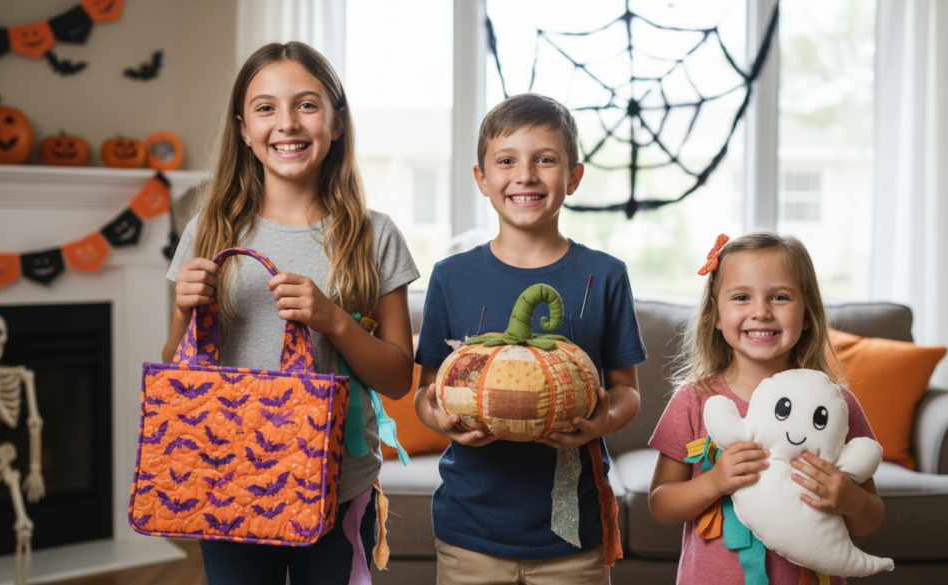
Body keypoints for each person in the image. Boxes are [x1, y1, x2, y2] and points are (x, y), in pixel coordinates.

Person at [161, 42, 419, 585]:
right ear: (242, 130)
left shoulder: (375, 235)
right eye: (265, 108)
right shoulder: (207, 232)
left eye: (307, 104)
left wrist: (335, 321)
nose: (287, 123)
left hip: (337, 486)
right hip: (225, 478)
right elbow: (174, 368)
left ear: (337, 120)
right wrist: (187, 312)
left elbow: (397, 378)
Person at [413, 93, 648, 585]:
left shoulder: (605, 276)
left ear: (573, 177)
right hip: (469, 529)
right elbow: (425, 391)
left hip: (573, 536)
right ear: (482, 178)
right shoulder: (450, 277)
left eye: (545, 159)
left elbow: (628, 391)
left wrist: (598, 423)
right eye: (506, 161)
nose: (525, 175)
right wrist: (442, 420)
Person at [648, 232, 885, 584]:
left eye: (780, 297)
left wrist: (848, 498)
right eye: (741, 297)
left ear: (807, 314)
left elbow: (871, 517)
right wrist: (715, 481)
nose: (761, 311)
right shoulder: (695, 399)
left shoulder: (834, 406)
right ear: (716, 315)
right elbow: (660, 504)